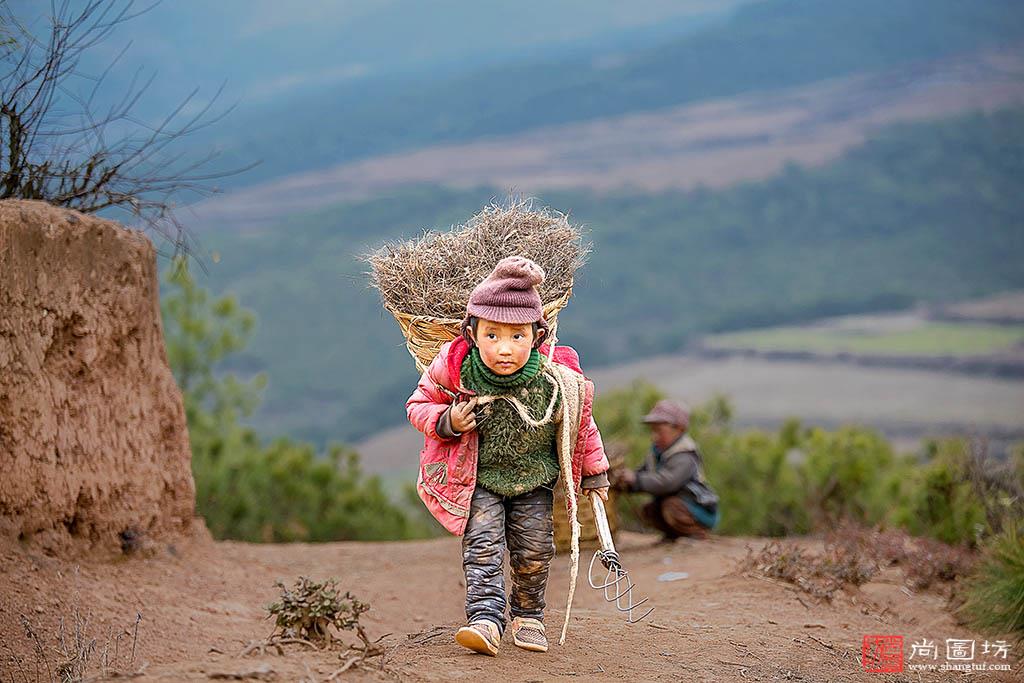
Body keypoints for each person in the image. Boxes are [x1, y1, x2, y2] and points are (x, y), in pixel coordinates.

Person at [406, 255, 610, 657]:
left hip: (533, 479)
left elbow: (581, 425)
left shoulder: (557, 379)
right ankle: (485, 620)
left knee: (535, 546)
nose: (504, 349)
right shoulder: (453, 371)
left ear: (537, 335)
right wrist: (448, 420)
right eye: (493, 335)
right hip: (478, 478)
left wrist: (595, 474)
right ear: (472, 333)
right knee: (482, 544)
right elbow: (418, 404)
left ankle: (528, 615)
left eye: (517, 336)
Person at [615, 399, 719, 542]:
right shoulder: (656, 453)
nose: (654, 436)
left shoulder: (685, 455)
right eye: (653, 431)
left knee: (671, 507)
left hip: (696, 508)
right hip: (674, 503)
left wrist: (636, 479)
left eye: (659, 431)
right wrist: (627, 482)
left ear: (679, 429)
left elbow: (668, 482)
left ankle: (695, 532)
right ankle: (673, 534)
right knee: (651, 510)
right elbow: (643, 472)